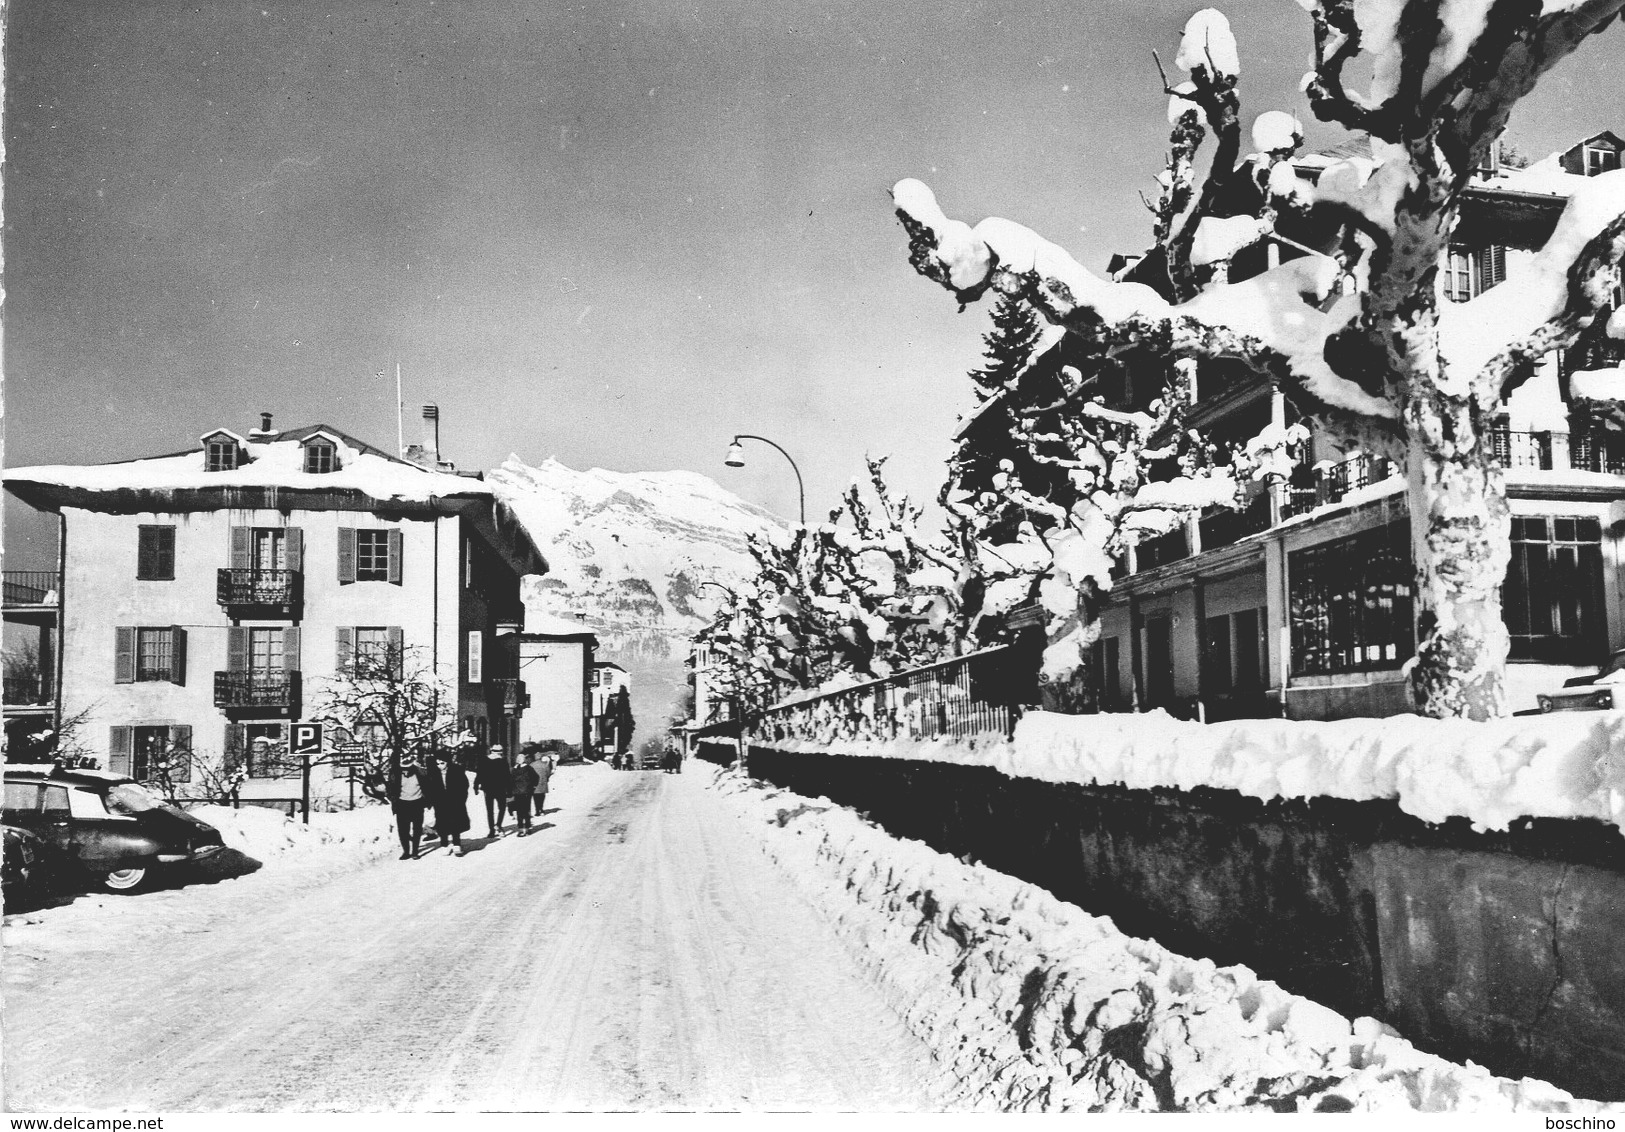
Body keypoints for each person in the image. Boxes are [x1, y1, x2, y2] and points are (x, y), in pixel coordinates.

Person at [385, 753, 436, 860]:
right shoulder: (395, 774)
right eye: (403, 768)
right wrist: (393, 799)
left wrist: (427, 800)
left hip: (417, 804)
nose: (405, 771)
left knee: (417, 829)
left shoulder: (421, 773)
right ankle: (406, 851)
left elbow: (429, 786)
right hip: (402, 804)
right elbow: (389, 789)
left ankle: (415, 851)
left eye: (408, 768)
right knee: (403, 830)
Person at [423, 748, 471, 856]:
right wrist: (431, 800)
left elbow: (464, 785)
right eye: (437, 763)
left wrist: (461, 798)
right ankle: (444, 844)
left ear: (447, 761)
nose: (440, 765)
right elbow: (428, 788)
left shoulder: (457, 770)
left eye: (442, 763)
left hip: (455, 800)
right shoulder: (433, 772)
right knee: (442, 822)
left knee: (455, 822)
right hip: (440, 801)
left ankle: (456, 844)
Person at [472, 742, 512, 838]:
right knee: (501, 808)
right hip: (500, 788)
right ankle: (498, 825)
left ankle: (492, 830)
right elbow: (507, 777)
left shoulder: (484, 760)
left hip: (488, 789)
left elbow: (479, 774)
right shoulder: (503, 762)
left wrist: (476, 785)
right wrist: (509, 790)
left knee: (490, 810)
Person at [510, 752, 539, 835]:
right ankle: (527, 827)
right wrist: (533, 786)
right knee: (526, 809)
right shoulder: (529, 768)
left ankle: (520, 829)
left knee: (519, 811)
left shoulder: (513, 770)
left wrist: (512, 790)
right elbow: (536, 777)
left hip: (517, 793)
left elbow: (510, 781)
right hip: (527, 792)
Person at [533, 748, 555, 815]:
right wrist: (547, 778)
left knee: (535, 797)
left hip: (535, 784)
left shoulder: (531, 765)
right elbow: (548, 773)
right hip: (543, 782)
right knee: (542, 797)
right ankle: (541, 809)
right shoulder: (545, 765)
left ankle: (537, 811)